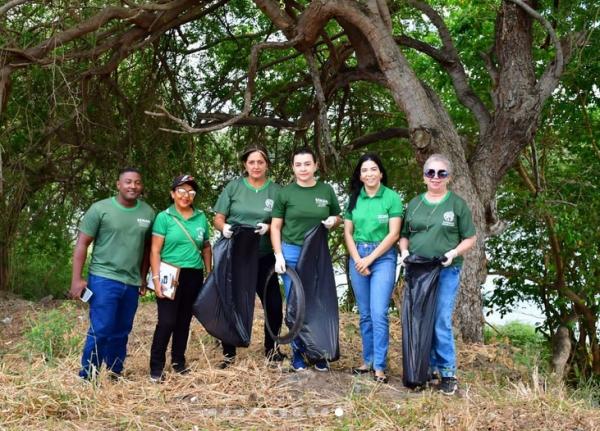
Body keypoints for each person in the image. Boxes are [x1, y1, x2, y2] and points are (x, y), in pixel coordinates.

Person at [399, 154, 476, 395]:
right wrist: (403, 253)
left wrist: (453, 253)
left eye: (441, 173)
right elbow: (404, 235)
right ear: (424, 177)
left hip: (445, 269)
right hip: (419, 271)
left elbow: (470, 238)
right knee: (422, 320)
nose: (435, 177)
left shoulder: (457, 205)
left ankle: (448, 373)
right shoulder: (414, 204)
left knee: (440, 319)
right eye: (430, 172)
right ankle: (426, 368)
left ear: (449, 177)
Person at [70, 167, 155, 380]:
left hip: (132, 281)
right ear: (118, 185)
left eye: (137, 182)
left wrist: (143, 277)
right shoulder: (100, 209)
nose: (132, 186)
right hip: (104, 278)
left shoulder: (148, 213)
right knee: (102, 328)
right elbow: (82, 243)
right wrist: (77, 279)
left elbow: (147, 249)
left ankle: (115, 372)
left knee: (122, 329)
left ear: (141, 186)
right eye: (128, 182)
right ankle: (87, 375)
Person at [213, 145, 284, 368]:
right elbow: (218, 217)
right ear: (245, 164)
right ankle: (229, 353)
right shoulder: (234, 187)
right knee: (231, 302)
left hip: (263, 256)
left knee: (273, 304)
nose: (256, 166)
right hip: (236, 255)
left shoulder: (276, 191)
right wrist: (223, 228)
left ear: (266, 165)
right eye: (251, 162)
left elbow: (282, 220)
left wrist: (269, 225)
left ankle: (271, 350)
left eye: (260, 162)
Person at [270, 147, 341, 372]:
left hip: (317, 254)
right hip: (291, 252)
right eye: (298, 164)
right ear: (293, 167)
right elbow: (276, 226)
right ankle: (298, 353)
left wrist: (333, 220)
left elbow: (338, 216)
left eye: (307, 164)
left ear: (316, 166)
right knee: (296, 305)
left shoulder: (326, 191)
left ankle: (318, 353)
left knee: (316, 303)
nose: (303, 169)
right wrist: (278, 254)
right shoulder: (285, 193)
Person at [344, 153, 403, 384]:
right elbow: (347, 232)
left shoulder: (391, 198)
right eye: (364, 170)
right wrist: (359, 258)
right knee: (365, 314)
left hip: (383, 257)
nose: (369, 174)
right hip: (358, 255)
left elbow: (394, 234)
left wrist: (369, 260)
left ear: (380, 172)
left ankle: (380, 366)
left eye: (373, 169)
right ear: (360, 175)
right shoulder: (354, 199)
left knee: (379, 313)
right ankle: (367, 361)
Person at [149, 174, 212, 382]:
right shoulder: (164, 217)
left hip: (193, 275)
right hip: (169, 273)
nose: (186, 196)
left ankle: (178, 362)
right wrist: (156, 279)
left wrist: (209, 273)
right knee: (167, 321)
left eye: (191, 192)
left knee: (184, 322)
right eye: (182, 191)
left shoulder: (201, 217)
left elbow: (205, 247)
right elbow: (155, 251)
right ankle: (156, 367)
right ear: (173, 193)